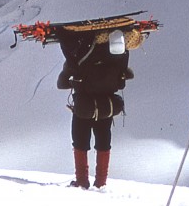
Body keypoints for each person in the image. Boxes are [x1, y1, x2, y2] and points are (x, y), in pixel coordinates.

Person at [56, 28, 134, 188]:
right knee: (104, 141)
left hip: (84, 107)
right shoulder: (116, 59)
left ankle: (82, 181)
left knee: (80, 142)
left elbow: (61, 83)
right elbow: (125, 78)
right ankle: (101, 183)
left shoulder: (79, 58)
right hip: (107, 106)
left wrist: (73, 80)